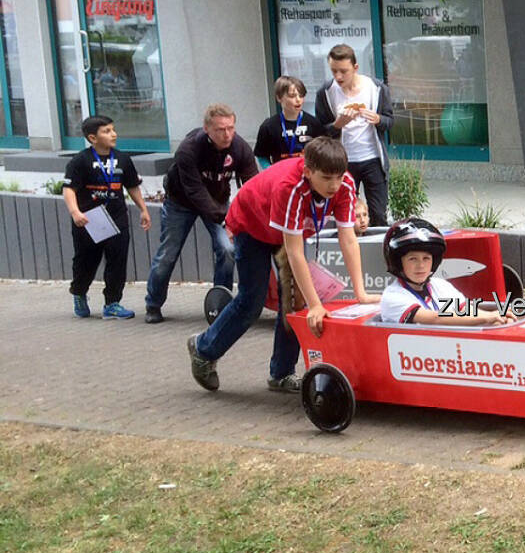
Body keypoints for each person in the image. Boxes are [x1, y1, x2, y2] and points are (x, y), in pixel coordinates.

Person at [186, 137, 377, 394]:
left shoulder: (345, 185)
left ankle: (281, 373)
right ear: (308, 172)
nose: (334, 185)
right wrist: (316, 305)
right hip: (252, 226)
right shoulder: (291, 188)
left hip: (289, 231)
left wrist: (360, 291)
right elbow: (294, 253)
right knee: (251, 301)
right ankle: (203, 349)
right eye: (327, 178)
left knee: (294, 302)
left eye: (339, 177)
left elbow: (348, 239)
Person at [144, 103, 259, 324]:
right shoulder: (188, 149)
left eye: (231, 128)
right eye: (220, 130)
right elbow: (194, 191)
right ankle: (153, 303)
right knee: (168, 254)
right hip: (181, 202)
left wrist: (251, 213)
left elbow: (253, 184)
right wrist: (224, 218)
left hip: (218, 200)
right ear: (207, 128)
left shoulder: (240, 147)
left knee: (227, 248)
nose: (227, 135)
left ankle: (221, 304)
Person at [62, 114, 152, 319]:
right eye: (107, 131)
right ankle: (79, 291)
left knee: (117, 260)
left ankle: (112, 303)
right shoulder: (80, 161)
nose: (114, 134)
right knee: (86, 262)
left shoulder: (123, 159)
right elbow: (69, 189)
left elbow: (132, 186)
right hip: (88, 220)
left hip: (116, 218)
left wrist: (143, 209)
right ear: (93, 138)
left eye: (113, 129)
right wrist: (75, 212)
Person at [378, 217, 516, 327]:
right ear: (398, 263)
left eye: (426, 258)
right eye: (412, 259)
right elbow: (435, 319)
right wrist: (489, 316)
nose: (420, 265)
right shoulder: (393, 296)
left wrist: (499, 319)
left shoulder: (439, 285)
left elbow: (466, 311)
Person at [315, 44, 393, 227]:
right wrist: (337, 125)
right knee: (345, 214)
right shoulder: (326, 93)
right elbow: (320, 132)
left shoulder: (376, 88)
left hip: (372, 158)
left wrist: (378, 119)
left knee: (378, 214)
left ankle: (378, 253)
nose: (338, 77)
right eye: (334, 71)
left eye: (344, 71)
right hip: (343, 161)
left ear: (355, 68)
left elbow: (390, 121)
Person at [253, 75, 323, 166]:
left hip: (307, 173)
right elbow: (261, 156)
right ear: (279, 98)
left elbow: (323, 151)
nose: (298, 100)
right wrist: (271, 171)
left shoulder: (313, 123)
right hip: (281, 175)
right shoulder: (268, 126)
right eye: (292, 96)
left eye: (301, 95)